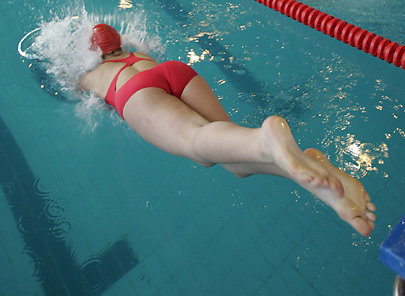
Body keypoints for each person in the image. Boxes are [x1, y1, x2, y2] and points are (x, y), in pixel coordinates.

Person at [79, 24, 375, 236]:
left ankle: (265, 139)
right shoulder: (138, 53)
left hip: (134, 92)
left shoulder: (93, 74)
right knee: (234, 162)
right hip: (173, 70)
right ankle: (318, 177)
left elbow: (79, 93)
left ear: (95, 53)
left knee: (198, 146)